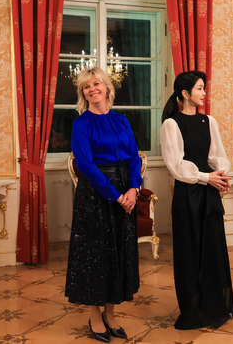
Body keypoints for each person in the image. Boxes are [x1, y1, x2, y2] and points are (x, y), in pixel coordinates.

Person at [65, 66, 142, 343]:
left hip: (125, 190)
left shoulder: (122, 120)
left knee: (118, 252)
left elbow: (134, 157)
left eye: (97, 83)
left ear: (107, 88)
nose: (92, 89)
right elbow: (85, 165)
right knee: (95, 256)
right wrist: (116, 195)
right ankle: (95, 315)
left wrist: (134, 188)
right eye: (86, 86)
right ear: (83, 93)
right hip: (96, 195)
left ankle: (111, 314)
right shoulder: (81, 123)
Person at [160, 71, 233, 330]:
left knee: (212, 249)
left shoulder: (208, 121)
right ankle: (192, 311)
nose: (204, 93)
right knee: (190, 253)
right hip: (189, 195)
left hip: (210, 191)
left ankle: (213, 305)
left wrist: (221, 177)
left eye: (204, 88)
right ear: (185, 93)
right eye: (200, 88)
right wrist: (207, 178)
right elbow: (176, 165)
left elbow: (217, 155)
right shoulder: (171, 124)